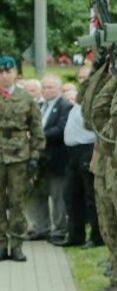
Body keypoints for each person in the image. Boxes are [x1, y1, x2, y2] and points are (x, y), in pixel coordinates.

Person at [0, 55, 45, 260]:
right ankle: (1, 245)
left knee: (17, 202)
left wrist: (35, 155)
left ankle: (16, 244)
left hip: (19, 157)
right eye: (1, 72)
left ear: (16, 74)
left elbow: (36, 129)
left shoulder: (26, 98)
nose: (4, 76)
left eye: (8, 71)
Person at [28, 73, 72, 241]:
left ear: (60, 88)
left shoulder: (65, 106)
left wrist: (37, 137)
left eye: (50, 87)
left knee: (57, 197)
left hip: (56, 159)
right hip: (39, 161)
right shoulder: (39, 106)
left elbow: (60, 130)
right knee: (37, 195)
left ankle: (59, 230)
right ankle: (41, 228)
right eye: (44, 87)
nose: (46, 90)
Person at [62, 66, 99, 247]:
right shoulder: (79, 99)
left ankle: (95, 237)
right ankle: (75, 235)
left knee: (91, 197)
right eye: (80, 78)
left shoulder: (95, 97)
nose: (83, 80)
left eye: (87, 77)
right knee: (71, 194)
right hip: (73, 152)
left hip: (88, 149)